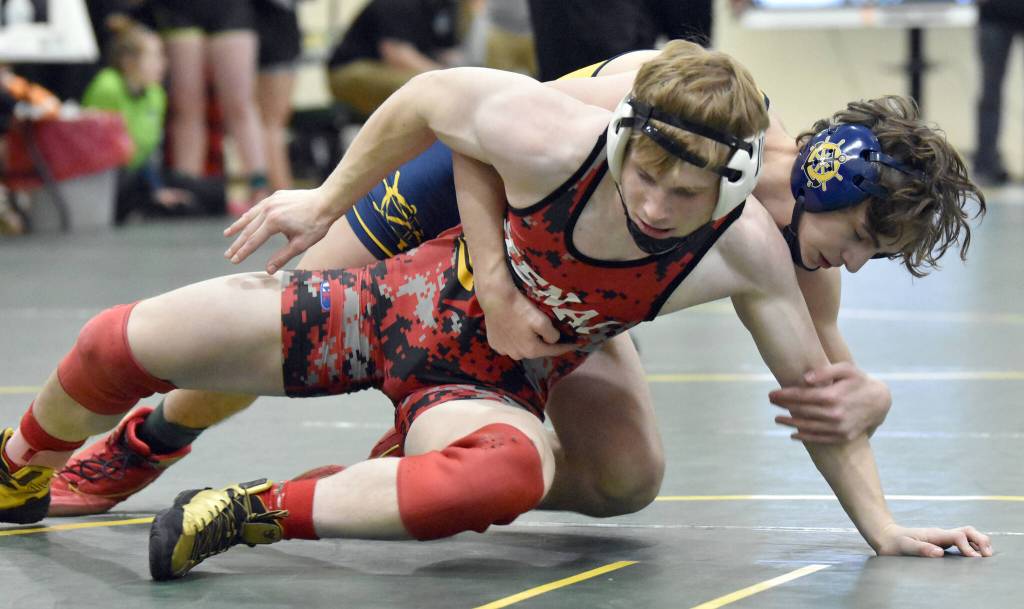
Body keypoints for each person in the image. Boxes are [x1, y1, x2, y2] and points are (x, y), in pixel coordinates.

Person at [0, 42, 991, 579]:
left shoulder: (780, 252)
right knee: (270, 338)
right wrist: (499, 284)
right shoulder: (653, 104)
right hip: (472, 188)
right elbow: (474, 127)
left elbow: (824, 385)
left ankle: (414, 469)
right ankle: (152, 434)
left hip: (565, 283)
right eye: (862, 239)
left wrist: (880, 487)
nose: (854, 264)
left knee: (624, 477)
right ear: (827, 178)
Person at [82, 15, 226, 223]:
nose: (163, 64)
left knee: (211, 193)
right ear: (130, 62)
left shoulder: (155, 94)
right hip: (109, 180)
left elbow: (150, 155)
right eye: (155, 57)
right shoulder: (108, 86)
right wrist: (152, 191)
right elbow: (98, 152)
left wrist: (158, 188)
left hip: (141, 175)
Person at [148, 0, 269, 209]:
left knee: (240, 103)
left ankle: (259, 188)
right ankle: (187, 189)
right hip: (180, 10)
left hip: (229, 9)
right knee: (186, 106)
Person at [326, 0, 466, 118]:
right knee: (422, 87)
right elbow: (396, 53)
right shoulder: (398, 3)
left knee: (443, 86)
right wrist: (445, 77)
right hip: (350, 69)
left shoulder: (444, 5)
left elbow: (448, 52)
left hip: (396, 67)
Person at [252, 0, 302, 192]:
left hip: (274, 32)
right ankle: (280, 189)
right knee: (272, 123)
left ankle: (274, 189)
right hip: (272, 34)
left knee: (270, 122)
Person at [973, 0, 1024, 185]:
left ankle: (986, 165)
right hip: (993, 15)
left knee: (990, 95)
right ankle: (986, 164)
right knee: (990, 94)